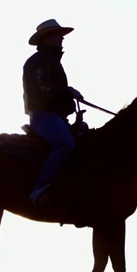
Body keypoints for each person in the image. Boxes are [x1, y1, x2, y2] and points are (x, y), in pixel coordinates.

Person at [23, 19, 84, 207]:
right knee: (65, 143)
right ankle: (39, 188)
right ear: (47, 37)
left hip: (55, 116)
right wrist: (69, 92)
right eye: (58, 34)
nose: (62, 38)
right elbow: (42, 90)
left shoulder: (50, 61)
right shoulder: (38, 62)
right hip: (43, 115)